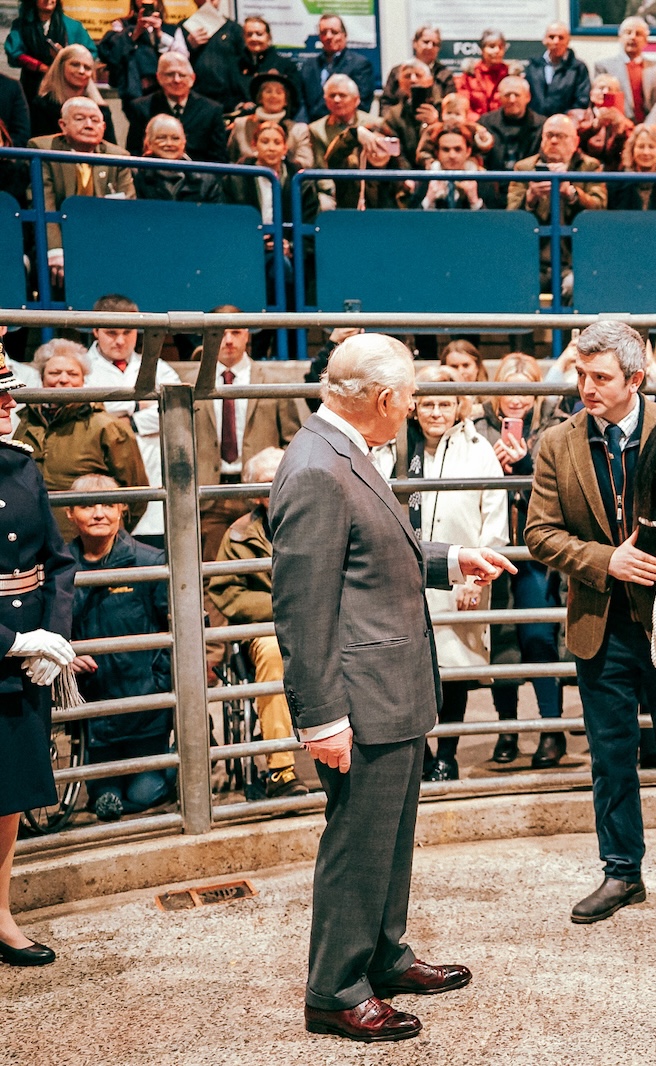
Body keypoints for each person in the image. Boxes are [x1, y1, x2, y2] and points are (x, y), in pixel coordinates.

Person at [271, 333, 513, 1042]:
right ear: (383, 400)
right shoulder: (318, 468)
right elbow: (303, 607)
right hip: (361, 697)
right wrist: (321, 718)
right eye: (409, 396)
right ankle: (337, 988)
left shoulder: (344, 453)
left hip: (392, 688)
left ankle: (382, 953)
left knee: (389, 837)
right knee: (358, 841)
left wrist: (450, 558)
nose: (412, 408)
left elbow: (375, 550)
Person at [523, 321, 656, 930]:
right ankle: (621, 872)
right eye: (581, 375)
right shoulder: (558, 443)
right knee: (611, 757)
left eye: (600, 377)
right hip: (599, 625)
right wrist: (603, 560)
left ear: (636, 379)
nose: (586, 387)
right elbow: (538, 534)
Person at [0, 348, 78, 970]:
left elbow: (58, 561)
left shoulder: (23, 467)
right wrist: (12, 641)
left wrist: (51, 637)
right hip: (6, 647)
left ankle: (0, 914)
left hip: (24, 662)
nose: (10, 406)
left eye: (10, 395)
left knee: (10, 794)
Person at [404, 367, 507, 782]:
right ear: (414, 407)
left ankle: (447, 754)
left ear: (458, 406)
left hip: (461, 577)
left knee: (454, 667)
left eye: (444, 403)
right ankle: (423, 755)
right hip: (406, 575)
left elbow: (495, 516)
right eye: (427, 403)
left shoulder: (478, 448)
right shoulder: (396, 447)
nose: (435, 412)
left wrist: (476, 579)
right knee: (409, 666)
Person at [475, 354, 565, 768]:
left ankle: (552, 729)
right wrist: (490, 467)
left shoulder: (554, 428)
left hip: (535, 554)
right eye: (509, 387)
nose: (518, 397)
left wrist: (525, 463)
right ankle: (507, 729)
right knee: (503, 641)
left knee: (538, 637)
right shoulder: (475, 432)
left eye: (527, 387)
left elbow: (557, 487)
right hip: (491, 547)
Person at [65, 474, 172, 822]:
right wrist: (66, 653)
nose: (99, 514)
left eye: (108, 504)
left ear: (122, 508)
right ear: (69, 513)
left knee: (142, 793)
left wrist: (160, 678)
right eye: (87, 506)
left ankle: (169, 769)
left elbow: (180, 628)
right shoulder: (60, 567)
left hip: (145, 706)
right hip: (93, 710)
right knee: (105, 797)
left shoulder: (150, 560)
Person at [206, 446, 306, 799]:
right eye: (268, 482)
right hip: (270, 626)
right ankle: (280, 769)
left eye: (285, 474)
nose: (279, 484)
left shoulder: (319, 516)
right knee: (272, 651)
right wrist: (287, 607)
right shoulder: (237, 535)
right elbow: (227, 591)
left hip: (324, 621)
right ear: (251, 493)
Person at [194, 311, 303, 560]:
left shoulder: (273, 383)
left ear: (247, 336)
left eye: (235, 332)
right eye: (219, 334)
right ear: (207, 338)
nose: (228, 340)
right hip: (210, 495)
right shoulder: (192, 385)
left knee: (270, 566)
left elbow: (293, 441)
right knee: (211, 573)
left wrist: (277, 483)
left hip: (262, 494)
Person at [13, 340, 148, 539]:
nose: (63, 380)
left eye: (72, 373)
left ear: (84, 380)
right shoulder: (25, 422)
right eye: (54, 373)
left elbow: (136, 495)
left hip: (85, 545)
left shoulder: (107, 427)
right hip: (32, 540)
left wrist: (107, 537)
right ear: (41, 378)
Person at [82, 295, 180, 543]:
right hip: (103, 477)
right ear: (95, 330)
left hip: (153, 480)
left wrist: (130, 421)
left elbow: (176, 410)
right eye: (111, 332)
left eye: (128, 332)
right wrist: (139, 404)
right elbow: (85, 416)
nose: (120, 340)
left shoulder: (158, 367)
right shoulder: (81, 369)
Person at [30, 98, 133, 287]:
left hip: (104, 241)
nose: (88, 125)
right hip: (63, 239)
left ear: (103, 127)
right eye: (80, 119)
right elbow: (44, 203)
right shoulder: (43, 150)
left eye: (95, 120)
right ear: (63, 124)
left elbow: (127, 209)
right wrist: (55, 250)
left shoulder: (118, 156)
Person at [508, 114, 607, 302]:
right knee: (518, 285)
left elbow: (599, 208)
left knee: (576, 286)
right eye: (549, 135)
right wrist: (530, 198)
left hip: (575, 261)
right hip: (534, 261)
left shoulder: (590, 167)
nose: (553, 141)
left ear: (575, 141)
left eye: (561, 136)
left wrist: (571, 193)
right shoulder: (524, 168)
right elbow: (511, 217)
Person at [125, 52, 227, 164]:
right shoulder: (141, 108)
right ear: (158, 77)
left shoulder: (211, 110)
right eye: (170, 74)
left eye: (182, 75)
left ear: (193, 78)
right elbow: (134, 152)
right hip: (153, 175)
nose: (176, 80)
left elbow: (219, 157)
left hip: (199, 176)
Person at [97, 0, 186, 120]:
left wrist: (160, 34)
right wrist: (136, 32)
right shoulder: (122, 25)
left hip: (165, 93)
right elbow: (113, 56)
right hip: (134, 93)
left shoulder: (171, 29)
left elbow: (182, 60)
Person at [307, 74, 380, 211]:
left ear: (356, 100)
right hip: (334, 188)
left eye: (342, 95)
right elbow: (319, 168)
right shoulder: (315, 129)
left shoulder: (375, 123)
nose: (337, 100)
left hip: (369, 187)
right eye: (332, 95)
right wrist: (333, 190)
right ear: (325, 100)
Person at [6, 0, 95, 100]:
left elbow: (90, 53)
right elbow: (14, 52)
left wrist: (66, 55)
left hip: (67, 88)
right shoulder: (22, 25)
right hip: (32, 87)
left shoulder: (73, 26)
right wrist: (41, 67)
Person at [592, 17, 656, 125]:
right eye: (628, 33)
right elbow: (603, 102)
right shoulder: (604, 67)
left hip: (650, 130)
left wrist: (646, 129)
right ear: (620, 37)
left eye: (638, 34)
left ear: (646, 40)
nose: (633, 37)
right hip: (617, 129)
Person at [31, 43, 112, 144]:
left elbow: (111, 149)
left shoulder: (101, 109)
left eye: (87, 68)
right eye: (75, 65)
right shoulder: (42, 105)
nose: (81, 71)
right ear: (61, 67)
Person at [300, 14, 376, 121]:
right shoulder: (309, 65)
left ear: (344, 35)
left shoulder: (360, 64)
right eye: (323, 33)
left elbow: (362, 104)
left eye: (334, 32)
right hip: (310, 129)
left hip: (345, 127)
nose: (329, 36)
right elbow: (300, 101)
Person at [130, 113, 220, 202]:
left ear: (184, 142)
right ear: (148, 143)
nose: (169, 143)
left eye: (175, 138)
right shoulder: (136, 176)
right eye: (161, 138)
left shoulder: (207, 180)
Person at [228, 71, 311, 167]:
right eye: (268, 91)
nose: (273, 96)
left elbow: (307, 164)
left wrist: (279, 163)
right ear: (259, 98)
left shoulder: (299, 130)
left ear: (286, 101)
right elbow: (231, 159)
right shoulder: (241, 124)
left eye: (279, 92)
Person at [181, 0, 246, 111]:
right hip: (196, 98)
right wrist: (188, 46)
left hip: (229, 99)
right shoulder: (184, 28)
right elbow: (177, 63)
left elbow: (245, 65)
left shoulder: (234, 29)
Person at [373, 61, 439, 168]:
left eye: (418, 75)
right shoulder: (394, 115)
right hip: (406, 175)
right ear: (400, 83)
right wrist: (406, 177)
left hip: (439, 172)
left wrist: (436, 125)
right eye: (407, 76)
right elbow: (395, 152)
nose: (413, 80)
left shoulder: (443, 107)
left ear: (430, 81)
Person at [481, 76, 543, 190]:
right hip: (493, 189)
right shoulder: (485, 123)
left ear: (527, 97)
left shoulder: (543, 126)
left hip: (528, 188)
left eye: (517, 95)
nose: (512, 100)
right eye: (507, 95)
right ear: (499, 98)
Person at [527, 21, 590, 119]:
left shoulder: (578, 68)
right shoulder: (533, 66)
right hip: (534, 125)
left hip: (565, 124)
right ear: (544, 40)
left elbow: (582, 100)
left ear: (568, 41)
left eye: (561, 38)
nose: (556, 42)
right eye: (551, 37)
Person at [574, 74, 635, 171]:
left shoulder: (625, 123)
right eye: (601, 88)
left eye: (610, 89)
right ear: (591, 93)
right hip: (584, 170)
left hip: (614, 174)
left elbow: (629, 151)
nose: (605, 92)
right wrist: (594, 127)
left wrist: (619, 129)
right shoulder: (577, 116)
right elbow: (573, 143)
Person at [237, 17, 301, 109]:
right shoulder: (235, 65)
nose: (254, 38)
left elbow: (295, 99)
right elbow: (229, 96)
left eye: (259, 34)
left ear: (268, 36)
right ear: (244, 38)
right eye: (249, 34)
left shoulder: (286, 65)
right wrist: (242, 105)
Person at [380, 25, 448, 111]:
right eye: (426, 42)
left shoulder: (445, 74)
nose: (430, 47)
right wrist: (392, 121)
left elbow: (449, 106)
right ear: (415, 43)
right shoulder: (397, 71)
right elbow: (386, 102)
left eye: (434, 44)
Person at [418, 128, 484, 211]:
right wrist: (428, 200)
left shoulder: (484, 180)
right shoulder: (424, 180)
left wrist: (475, 202)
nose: (452, 155)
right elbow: (409, 221)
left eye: (457, 149)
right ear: (437, 152)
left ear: (468, 151)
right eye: (446, 150)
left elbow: (495, 221)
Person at [455, 29, 511, 118]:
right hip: (475, 126)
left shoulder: (510, 76)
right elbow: (463, 106)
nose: (497, 50)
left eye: (501, 47)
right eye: (492, 46)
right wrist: (479, 125)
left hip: (504, 127)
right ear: (482, 49)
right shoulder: (469, 75)